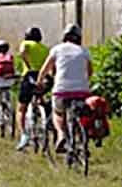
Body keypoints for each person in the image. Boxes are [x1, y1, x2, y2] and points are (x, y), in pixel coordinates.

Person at [36, 24, 93, 152]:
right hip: (82, 91)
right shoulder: (84, 51)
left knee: (58, 112)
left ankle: (61, 135)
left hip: (61, 90)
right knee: (79, 114)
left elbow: (45, 69)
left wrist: (39, 82)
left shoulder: (57, 49)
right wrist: (84, 82)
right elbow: (90, 71)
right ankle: (82, 141)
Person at [15, 27, 50, 150]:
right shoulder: (45, 48)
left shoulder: (26, 43)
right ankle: (46, 120)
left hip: (29, 76)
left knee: (21, 108)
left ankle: (24, 135)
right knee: (40, 96)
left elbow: (22, 52)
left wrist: (27, 64)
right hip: (44, 77)